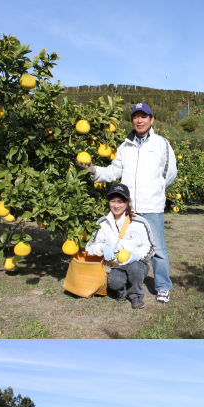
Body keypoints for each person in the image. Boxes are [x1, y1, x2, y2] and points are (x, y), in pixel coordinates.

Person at [78, 102, 177, 303]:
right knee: (127, 246)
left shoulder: (161, 143)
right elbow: (114, 171)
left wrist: (156, 189)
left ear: (151, 120)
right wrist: (93, 170)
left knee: (158, 248)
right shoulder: (124, 146)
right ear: (132, 120)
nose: (139, 120)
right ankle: (126, 282)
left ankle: (163, 286)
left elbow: (170, 172)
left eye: (144, 116)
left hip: (151, 206)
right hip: (129, 208)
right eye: (135, 116)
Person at [85, 183, 156, 309]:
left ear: (128, 202)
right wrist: (102, 248)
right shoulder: (102, 223)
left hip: (137, 263)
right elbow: (90, 246)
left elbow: (150, 247)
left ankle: (136, 295)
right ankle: (122, 292)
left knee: (135, 269)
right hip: (116, 265)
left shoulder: (139, 222)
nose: (116, 205)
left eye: (120, 201)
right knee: (114, 282)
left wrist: (136, 256)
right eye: (113, 201)